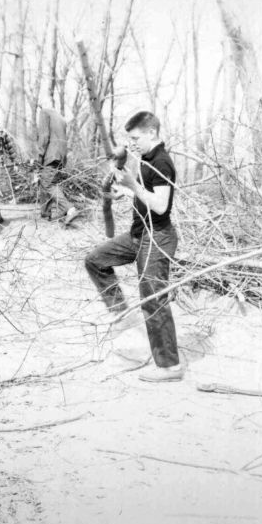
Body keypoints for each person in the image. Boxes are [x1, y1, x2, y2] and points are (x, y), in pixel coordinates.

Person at [84, 111, 181, 383]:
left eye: (136, 138)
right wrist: (125, 191)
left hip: (158, 237)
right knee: (95, 260)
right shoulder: (148, 159)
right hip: (139, 235)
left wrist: (133, 185)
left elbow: (161, 205)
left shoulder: (162, 162)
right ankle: (121, 312)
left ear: (152, 133)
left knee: (153, 299)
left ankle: (170, 367)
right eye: (130, 139)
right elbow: (146, 196)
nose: (132, 144)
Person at [35, 107, 80, 226]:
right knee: (46, 181)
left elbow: (44, 137)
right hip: (60, 156)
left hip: (51, 154)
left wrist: (39, 157)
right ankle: (45, 214)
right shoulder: (59, 117)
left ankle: (70, 209)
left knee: (48, 184)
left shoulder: (44, 112)